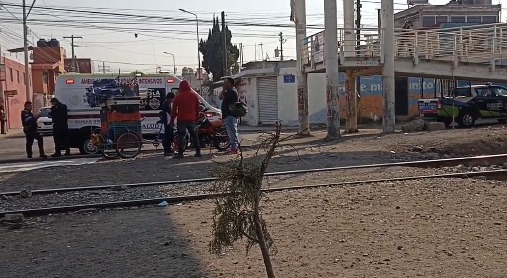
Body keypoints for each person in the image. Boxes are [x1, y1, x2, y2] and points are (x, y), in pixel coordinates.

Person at [170, 80, 201, 159]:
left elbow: (174, 110)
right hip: (191, 119)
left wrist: (172, 120)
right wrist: (196, 118)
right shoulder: (194, 96)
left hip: (181, 119)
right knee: (194, 136)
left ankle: (181, 153)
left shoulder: (178, 97)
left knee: (181, 136)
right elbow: (197, 108)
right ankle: (198, 151)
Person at [220, 77, 239, 154]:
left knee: (232, 132)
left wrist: (224, 89)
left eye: (226, 82)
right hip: (228, 115)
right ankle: (233, 147)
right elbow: (220, 97)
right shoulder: (228, 91)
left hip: (230, 115)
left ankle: (234, 148)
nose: (225, 84)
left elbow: (222, 97)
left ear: (231, 83)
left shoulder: (232, 92)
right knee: (230, 131)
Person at [159, 92, 176, 156]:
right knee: (168, 136)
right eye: (172, 99)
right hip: (168, 122)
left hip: (168, 122)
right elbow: (168, 115)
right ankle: (167, 150)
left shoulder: (166, 103)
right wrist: (170, 123)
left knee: (170, 135)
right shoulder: (166, 104)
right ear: (170, 98)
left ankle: (168, 149)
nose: (173, 100)